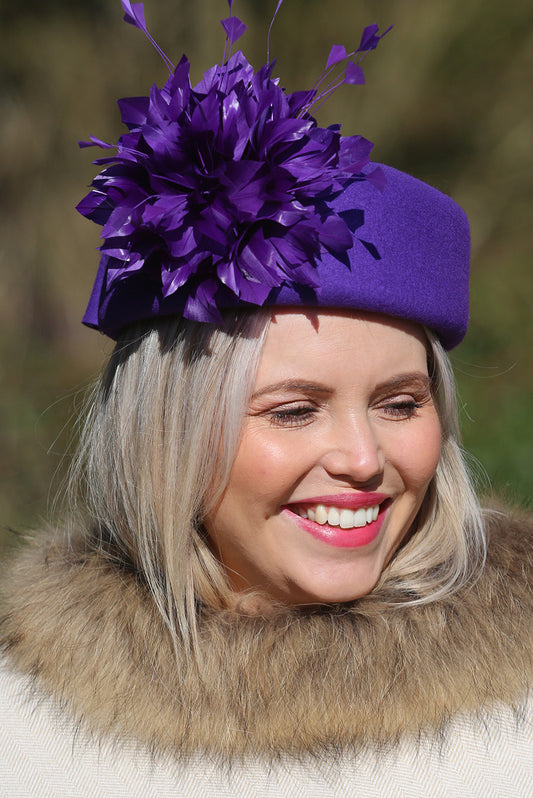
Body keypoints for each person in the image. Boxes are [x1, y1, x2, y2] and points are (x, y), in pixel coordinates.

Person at [1, 2, 532, 796]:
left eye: (398, 404)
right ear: (163, 430)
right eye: (292, 409)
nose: (362, 460)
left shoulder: (516, 706)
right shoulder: (27, 725)